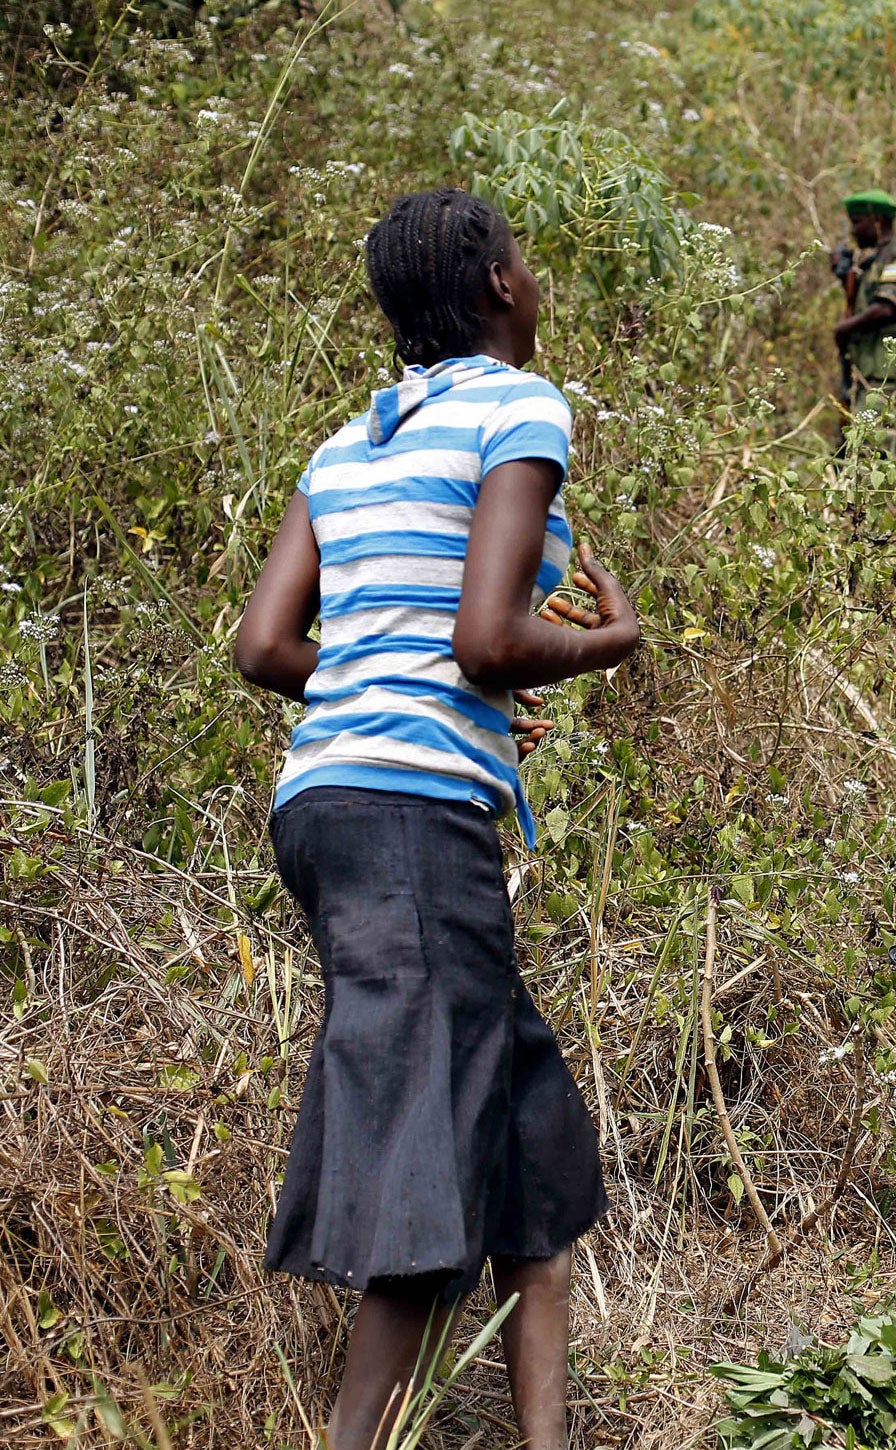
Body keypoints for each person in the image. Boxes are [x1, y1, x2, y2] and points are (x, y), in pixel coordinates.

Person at [234, 188, 640, 1450]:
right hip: (413, 819)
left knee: (524, 1142)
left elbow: (264, 646)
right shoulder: (518, 405)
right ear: (502, 287)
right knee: (425, 1152)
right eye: (525, 254)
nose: (533, 270)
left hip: (326, 803)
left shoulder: (345, 441)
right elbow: (485, 639)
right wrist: (604, 645)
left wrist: (394, 681)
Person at [832, 188, 896, 439]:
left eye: (858, 223)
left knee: (871, 447)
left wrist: (844, 328)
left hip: (889, 375)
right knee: (848, 447)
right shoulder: (871, 260)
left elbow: (887, 307)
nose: (853, 231)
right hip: (865, 372)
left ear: (878, 221)